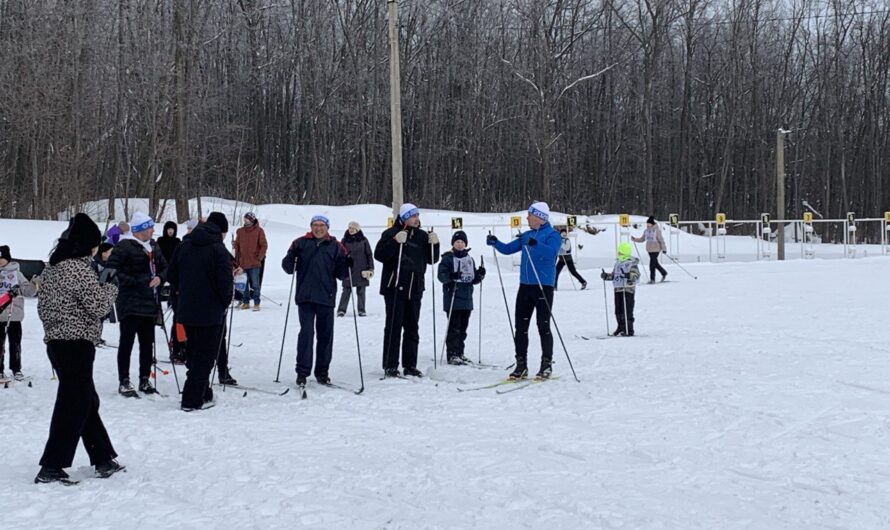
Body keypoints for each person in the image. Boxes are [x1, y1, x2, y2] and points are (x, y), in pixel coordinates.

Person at [35, 213, 123, 484]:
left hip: (56, 342)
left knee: (84, 399)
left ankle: (103, 458)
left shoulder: (52, 268)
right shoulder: (79, 269)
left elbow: (43, 307)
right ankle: (51, 465)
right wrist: (110, 288)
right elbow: (98, 306)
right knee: (74, 403)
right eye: (95, 245)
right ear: (87, 245)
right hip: (76, 343)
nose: (97, 250)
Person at [167, 212, 234, 411]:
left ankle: (204, 392)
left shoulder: (184, 244)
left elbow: (172, 274)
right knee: (206, 356)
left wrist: (183, 292)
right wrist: (223, 302)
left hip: (187, 308)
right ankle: (191, 399)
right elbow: (225, 283)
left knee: (195, 353)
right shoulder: (218, 249)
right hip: (210, 311)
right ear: (221, 232)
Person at [486, 201, 561, 379]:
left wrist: (534, 243)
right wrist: (495, 243)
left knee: (543, 326)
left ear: (540, 218)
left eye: (530, 215)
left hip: (543, 286)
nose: (527, 218)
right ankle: (521, 365)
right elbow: (508, 249)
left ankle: (546, 364)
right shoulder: (526, 235)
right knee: (520, 327)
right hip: (525, 286)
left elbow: (551, 253)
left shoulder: (553, 234)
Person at [281, 215, 350, 386]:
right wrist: (292, 257)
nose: (318, 228)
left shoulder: (336, 246)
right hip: (305, 296)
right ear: (311, 227)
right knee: (306, 333)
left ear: (327, 227)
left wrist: (348, 264)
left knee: (325, 335)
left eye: (321, 225)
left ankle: (322, 372)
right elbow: (288, 268)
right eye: (315, 225)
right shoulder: (300, 243)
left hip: (326, 296)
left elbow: (342, 275)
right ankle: (302, 372)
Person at [374, 203, 440, 378]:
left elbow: (432, 260)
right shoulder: (390, 233)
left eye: (417, 215)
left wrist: (435, 244)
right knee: (394, 327)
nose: (416, 219)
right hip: (394, 287)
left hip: (415, 287)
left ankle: (410, 364)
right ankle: (390, 364)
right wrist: (395, 242)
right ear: (404, 217)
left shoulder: (422, 236)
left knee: (412, 328)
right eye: (412, 216)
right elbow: (379, 255)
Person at [106, 212, 167, 396]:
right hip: (130, 302)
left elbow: (165, 267)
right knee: (127, 342)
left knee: (147, 343)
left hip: (149, 303)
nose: (153, 230)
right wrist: (137, 281)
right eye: (149, 227)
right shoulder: (124, 246)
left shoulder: (154, 246)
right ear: (141, 230)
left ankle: (144, 379)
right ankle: (124, 380)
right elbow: (112, 271)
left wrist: (159, 278)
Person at [437, 231, 485, 365]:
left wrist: (480, 275)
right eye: (457, 242)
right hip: (453, 297)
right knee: (454, 327)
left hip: (467, 298)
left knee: (463, 328)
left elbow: (472, 278)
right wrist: (451, 276)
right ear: (453, 243)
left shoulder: (469, 258)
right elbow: (441, 276)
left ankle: (460, 353)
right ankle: (452, 354)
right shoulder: (447, 258)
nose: (460, 244)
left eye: (462, 242)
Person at [0, 245, 38, 380]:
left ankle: (16, 368)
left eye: (2, 258)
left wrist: (34, 283)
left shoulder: (17, 273)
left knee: (15, 343)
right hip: (0, 314)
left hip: (14, 314)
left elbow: (28, 292)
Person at [600, 242, 641, 336]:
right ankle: (621, 326)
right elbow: (615, 275)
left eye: (621, 252)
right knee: (618, 310)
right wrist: (607, 276)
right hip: (618, 289)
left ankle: (629, 329)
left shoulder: (631, 263)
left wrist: (629, 276)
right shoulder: (618, 263)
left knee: (627, 309)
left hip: (627, 289)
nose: (619, 253)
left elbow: (636, 275)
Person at [337, 221, 374, 317]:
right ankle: (341, 310)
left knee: (361, 291)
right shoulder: (344, 240)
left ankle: (361, 310)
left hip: (362, 269)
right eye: (349, 228)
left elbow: (369, 254)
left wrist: (371, 268)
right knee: (346, 291)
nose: (351, 230)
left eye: (353, 228)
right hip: (349, 269)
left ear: (357, 230)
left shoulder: (364, 240)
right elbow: (340, 254)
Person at [233, 212, 268, 311]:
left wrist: (259, 258)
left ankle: (256, 302)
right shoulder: (240, 231)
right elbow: (238, 245)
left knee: (255, 285)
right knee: (244, 284)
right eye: (244, 219)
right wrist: (234, 245)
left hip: (254, 263)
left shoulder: (259, 231)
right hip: (242, 263)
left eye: (247, 219)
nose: (245, 221)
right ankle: (245, 302)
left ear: (252, 220)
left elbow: (264, 245)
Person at [90, 243, 116, 344]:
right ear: (104, 253)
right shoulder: (95, 263)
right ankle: (93, 337)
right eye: (110, 252)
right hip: (94, 293)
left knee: (101, 316)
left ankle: (97, 336)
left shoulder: (108, 263)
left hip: (103, 293)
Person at [632, 216, 668, 283]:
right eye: (647, 223)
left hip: (656, 249)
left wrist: (664, 249)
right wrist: (635, 239)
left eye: (649, 223)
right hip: (649, 250)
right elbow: (642, 239)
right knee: (655, 264)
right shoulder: (646, 231)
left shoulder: (656, 230)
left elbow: (661, 240)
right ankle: (664, 273)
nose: (647, 225)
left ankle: (652, 279)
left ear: (652, 224)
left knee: (652, 265)